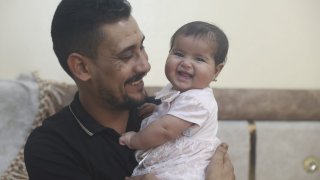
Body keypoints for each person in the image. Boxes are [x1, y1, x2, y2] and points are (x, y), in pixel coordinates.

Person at [24, 0, 235, 179]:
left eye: (141, 47)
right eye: (126, 55)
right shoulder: (50, 148)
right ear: (82, 67)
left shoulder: (163, 111)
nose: (145, 65)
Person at [119, 21, 228, 180]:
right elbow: (173, 116)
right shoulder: (179, 94)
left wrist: (135, 140)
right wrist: (157, 110)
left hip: (186, 170)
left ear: (216, 71)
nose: (186, 63)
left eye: (199, 59)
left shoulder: (197, 100)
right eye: (178, 54)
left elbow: (165, 129)